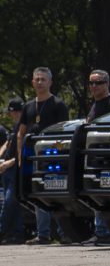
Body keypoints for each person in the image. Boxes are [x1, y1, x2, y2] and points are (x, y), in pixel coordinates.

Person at [19, 67, 70, 245]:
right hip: (32, 155)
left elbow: (64, 132)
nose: (40, 82)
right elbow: (21, 133)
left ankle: (66, 233)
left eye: (43, 79)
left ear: (50, 82)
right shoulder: (28, 106)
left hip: (52, 154)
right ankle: (43, 234)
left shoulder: (58, 104)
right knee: (37, 193)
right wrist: (20, 158)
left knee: (56, 192)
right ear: (32, 82)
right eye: (37, 79)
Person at [81, 69, 110, 246]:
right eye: (91, 83)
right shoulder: (95, 104)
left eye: (98, 83)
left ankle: (107, 233)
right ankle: (100, 231)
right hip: (93, 155)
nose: (94, 86)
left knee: (103, 194)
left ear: (107, 84)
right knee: (96, 193)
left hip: (106, 156)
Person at [0, 98, 24, 243]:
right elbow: (7, 143)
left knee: (9, 201)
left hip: (15, 168)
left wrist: (8, 163)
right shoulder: (16, 127)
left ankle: (2, 230)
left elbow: (24, 152)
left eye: (13, 112)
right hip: (7, 169)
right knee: (13, 204)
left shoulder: (25, 126)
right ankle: (15, 233)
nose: (12, 115)